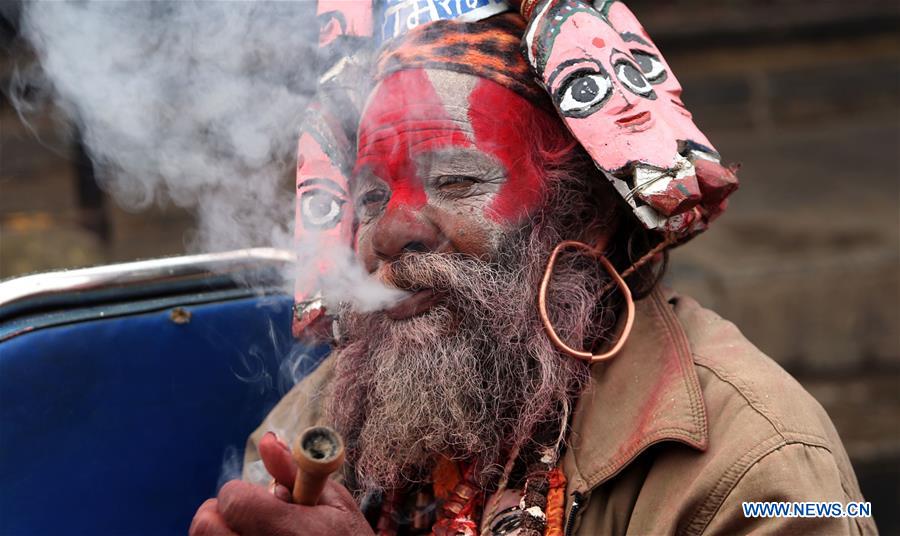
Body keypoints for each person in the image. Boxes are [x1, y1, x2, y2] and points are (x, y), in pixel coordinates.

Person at [190, 6, 875, 536]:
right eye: (370, 198)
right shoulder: (322, 414)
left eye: (455, 180)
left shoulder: (759, 464)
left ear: (584, 214)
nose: (391, 231)